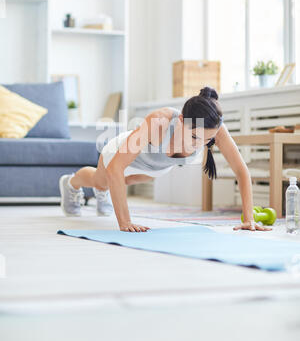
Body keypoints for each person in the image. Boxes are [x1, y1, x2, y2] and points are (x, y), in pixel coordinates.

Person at [59, 87, 271, 233]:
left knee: (126, 181)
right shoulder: (160, 121)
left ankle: (106, 192)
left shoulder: (214, 126)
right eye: (195, 137)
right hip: (123, 153)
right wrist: (125, 222)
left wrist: (249, 219)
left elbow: (241, 169)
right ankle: (70, 183)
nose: (200, 144)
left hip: (157, 166)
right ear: (180, 121)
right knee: (102, 180)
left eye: (208, 140)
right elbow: (116, 168)